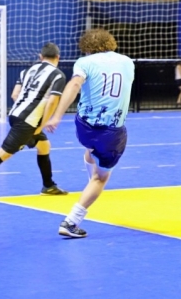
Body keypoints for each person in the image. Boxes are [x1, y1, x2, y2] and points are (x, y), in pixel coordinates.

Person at [45, 28, 135, 238]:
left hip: (83, 126)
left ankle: (91, 180)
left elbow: (75, 84)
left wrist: (58, 115)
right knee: (100, 179)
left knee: (90, 151)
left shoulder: (83, 62)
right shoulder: (127, 62)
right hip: (111, 131)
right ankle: (71, 222)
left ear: (87, 47)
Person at [0, 43, 68, 200]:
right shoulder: (58, 75)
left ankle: (48, 185)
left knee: (44, 145)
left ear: (40, 57)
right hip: (28, 122)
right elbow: (52, 102)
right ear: (58, 57)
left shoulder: (27, 71)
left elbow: (14, 94)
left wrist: (26, 106)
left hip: (14, 115)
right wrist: (41, 124)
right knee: (4, 153)